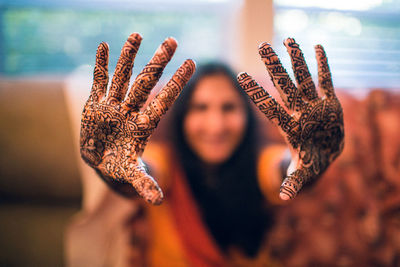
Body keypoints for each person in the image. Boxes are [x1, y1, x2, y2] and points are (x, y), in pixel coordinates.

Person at [71, 32, 344, 266]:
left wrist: (310, 159)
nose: (216, 126)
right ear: (182, 117)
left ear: (246, 116)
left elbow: (288, 170)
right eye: (200, 108)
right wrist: (110, 167)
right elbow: (137, 175)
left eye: (228, 108)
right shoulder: (164, 161)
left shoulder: (260, 160)